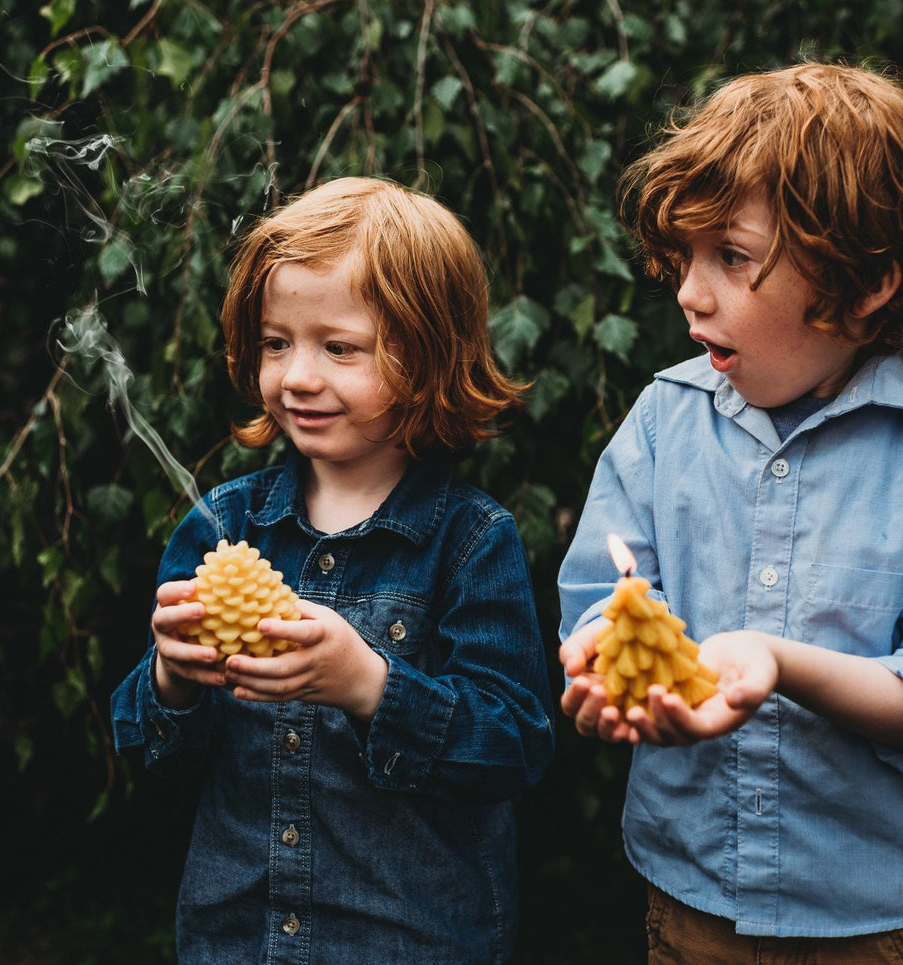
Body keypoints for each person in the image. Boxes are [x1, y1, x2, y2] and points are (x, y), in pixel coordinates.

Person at [557, 62, 903, 963]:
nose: (691, 290)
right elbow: (599, 591)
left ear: (864, 284)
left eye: (730, 257)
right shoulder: (663, 418)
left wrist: (775, 663)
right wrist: (602, 660)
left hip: (882, 924)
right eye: (685, 256)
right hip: (693, 906)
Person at [112, 177, 554, 964]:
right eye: (275, 343)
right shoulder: (224, 525)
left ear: (425, 356)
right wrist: (172, 680)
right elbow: (151, 753)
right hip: (237, 939)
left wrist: (368, 684)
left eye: (337, 347)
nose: (296, 376)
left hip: (406, 942)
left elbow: (512, 744)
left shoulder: (468, 540)